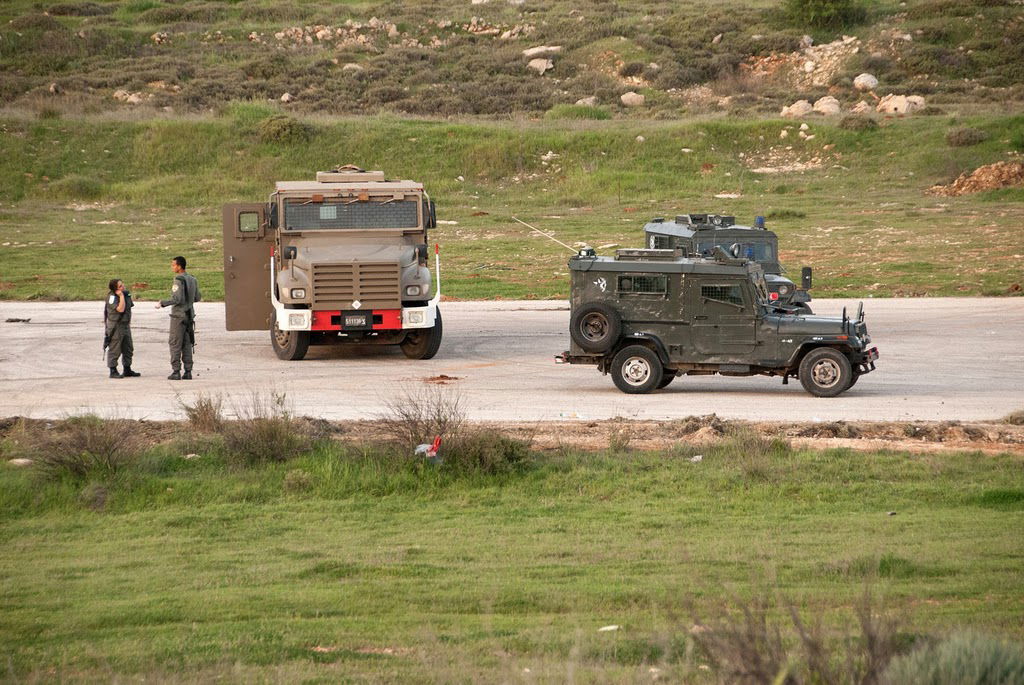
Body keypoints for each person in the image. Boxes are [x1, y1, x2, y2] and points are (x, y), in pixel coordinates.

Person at [156, 255, 201, 380]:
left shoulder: (178, 280)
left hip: (178, 316)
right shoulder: (193, 279)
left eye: (174, 265)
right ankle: (188, 371)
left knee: (175, 343)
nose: (172, 267)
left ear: (179, 266)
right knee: (187, 343)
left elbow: (177, 299)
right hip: (189, 315)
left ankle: (176, 371)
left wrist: (162, 303)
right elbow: (197, 297)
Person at [104, 278, 140, 378]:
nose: (123, 286)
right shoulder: (111, 297)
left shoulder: (126, 294)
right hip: (116, 326)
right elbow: (120, 309)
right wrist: (121, 296)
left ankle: (127, 369)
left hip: (125, 325)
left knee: (128, 348)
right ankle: (113, 370)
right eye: (120, 286)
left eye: (122, 284)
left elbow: (129, 309)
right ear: (115, 289)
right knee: (115, 348)